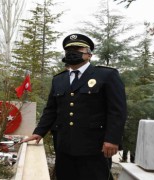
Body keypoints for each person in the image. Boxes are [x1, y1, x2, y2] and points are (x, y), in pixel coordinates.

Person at [21, 33, 127, 180]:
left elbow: (117, 111)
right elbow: (51, 110)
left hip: (94, 148)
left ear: (89, 55)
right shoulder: (59, 79)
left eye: (78, 49)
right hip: (64, 147)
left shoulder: (106, 75)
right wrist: (39, 132)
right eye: (69, 50)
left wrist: (113, 139)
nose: (72, 53)